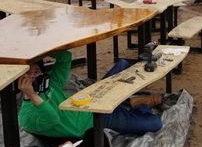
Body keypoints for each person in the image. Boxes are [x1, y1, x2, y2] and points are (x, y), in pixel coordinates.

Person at [18, 51, 162, 138]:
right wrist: (32, 95)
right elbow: (52, 119)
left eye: (36, 72)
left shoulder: (51, 84)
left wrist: (40, 53)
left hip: (93, 99)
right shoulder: (26, 115)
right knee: (156, 123)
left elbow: (65, 57)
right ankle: (140, 105)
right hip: (98, 119)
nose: (33, 77)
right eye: (27, 75)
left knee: (122, 64)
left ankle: (126, 102)